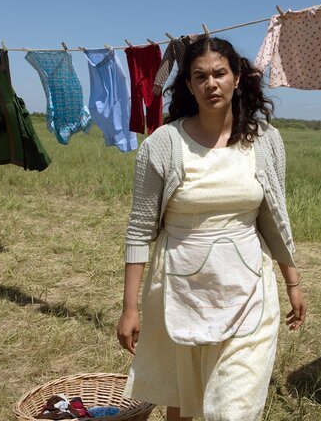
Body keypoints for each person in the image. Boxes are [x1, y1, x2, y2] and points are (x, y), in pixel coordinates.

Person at [117, 36, 306, 421]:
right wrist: (129, 307)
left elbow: (275, 218)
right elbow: (139, 230)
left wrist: (293, 282)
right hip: (181, 288)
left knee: (230, 410)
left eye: (220, 73)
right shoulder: (163, 144)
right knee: (184, 399)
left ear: (237, 77)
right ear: (188, 85)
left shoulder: (265, 140)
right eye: (200, 76)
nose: (211, 83)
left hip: (249, 289)